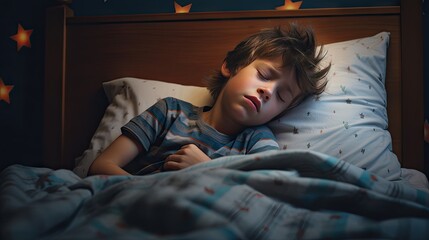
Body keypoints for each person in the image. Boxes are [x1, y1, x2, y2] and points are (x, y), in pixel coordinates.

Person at [88, 23, 330, 176]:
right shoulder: (170, 112)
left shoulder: (257, 140)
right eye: (264, 75)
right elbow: (101, 167)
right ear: (231, 66)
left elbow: (267, 188)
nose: (268, 91)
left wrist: (206, 169)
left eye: (281, 96)